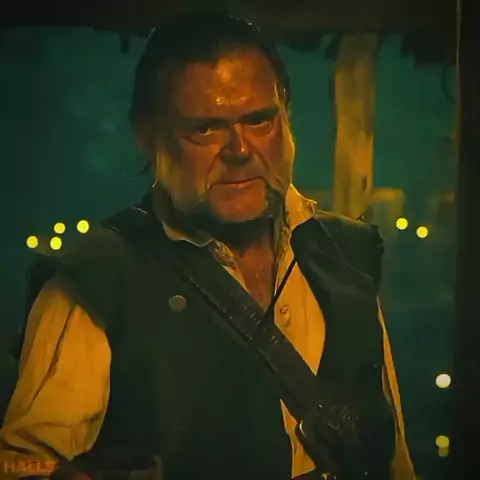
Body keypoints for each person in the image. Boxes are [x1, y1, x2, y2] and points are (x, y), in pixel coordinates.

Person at [0, 11, 415, 480]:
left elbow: (394, 457)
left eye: (259, 121)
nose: (240, 150)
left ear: (286, 116)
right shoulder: (98, 283)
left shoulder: (346, 253)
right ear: (148, 136)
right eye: (206, 128)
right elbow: (21, 465)